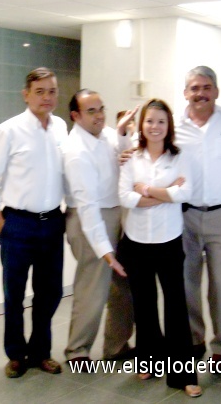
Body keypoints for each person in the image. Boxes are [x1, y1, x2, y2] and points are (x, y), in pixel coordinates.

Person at [0, 67, 67, 378]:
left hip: (52, 223)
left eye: (52, 91)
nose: (47, 97)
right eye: (40, 91)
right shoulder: (9, 130)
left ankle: (41, 352)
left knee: (50, 292)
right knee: (14, 294)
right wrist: (0, 224)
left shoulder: (60, 128)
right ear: (26, 94)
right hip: (17, 224)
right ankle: (16, 356)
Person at [118, 99, 202, 398]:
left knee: (176, 306)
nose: (155, 127)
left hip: (168, 241)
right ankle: (149, 360)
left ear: (169, 127)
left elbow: (187, 192)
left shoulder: (181, 158)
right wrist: (166, 194)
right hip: (136, 242)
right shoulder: (131, 158)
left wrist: (147, 190)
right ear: (141, 125)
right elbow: (124, 196)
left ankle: (183, 376)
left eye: (161, 122)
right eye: (150, 121)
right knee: (144, 304)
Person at [62, 90, 137, 371]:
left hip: (116, 212)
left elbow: (123, 153)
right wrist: (106, 252)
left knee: (123, 285)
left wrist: (122, 133)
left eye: (101, 108)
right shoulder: (75, 151)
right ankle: (77, 350)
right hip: (88, 219)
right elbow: (87, 207)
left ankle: (116, 346)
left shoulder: (104, 134)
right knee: (93, 286)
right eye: (91, 111)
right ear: (76, 116)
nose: (99, 115)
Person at [175, 66, 221, 364]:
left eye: (206, 87)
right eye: (194, 88)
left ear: (216, 91)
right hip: (184, 216)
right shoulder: (174, 125)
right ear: (185, 93)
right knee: (187, 282)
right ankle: (194, 340)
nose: (200, 93)